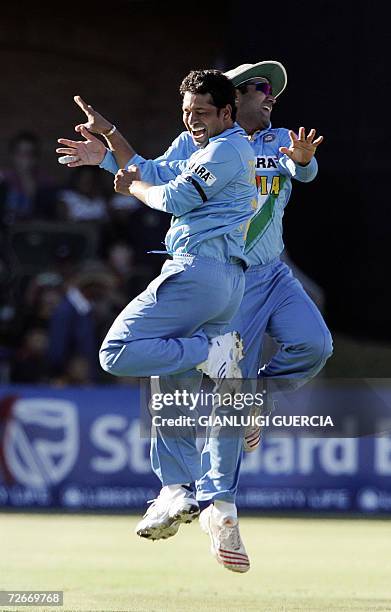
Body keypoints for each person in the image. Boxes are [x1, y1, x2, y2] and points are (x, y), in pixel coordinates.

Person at [56, 61, 333, 573]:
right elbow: (151, 170)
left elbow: (301, 171)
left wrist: (304, 161)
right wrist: (106, 156)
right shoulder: (198, 143)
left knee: (310, 347)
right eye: (258, 87)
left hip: (267, 269)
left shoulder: (272, 141)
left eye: (272, 89)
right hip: (233, 275)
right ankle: (218, 505)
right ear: (233, 98)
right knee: (197, 380)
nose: (269, 94)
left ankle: (223, 441)